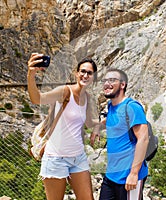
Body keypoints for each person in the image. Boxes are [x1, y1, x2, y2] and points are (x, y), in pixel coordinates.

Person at [27, 53, 99, 200]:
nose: (85, 75)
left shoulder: (88, 98)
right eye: (83, 71)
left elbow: (89, 123)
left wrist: (100, 125)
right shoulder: (64, 91)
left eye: (89, 73)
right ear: (76, 73)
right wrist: (31, 75)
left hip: (78, 157)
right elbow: (37, 99)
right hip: (56, 158)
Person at [91, 68, 149, 200]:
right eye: (105, 80)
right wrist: (98, 126)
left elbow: (143, 139)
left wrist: (134, 173)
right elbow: (115, 120)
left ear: (122, 85)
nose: (106, 83)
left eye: (112, 80)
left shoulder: (132, 107)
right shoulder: (111, 105)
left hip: (129, 176)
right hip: (111, 175)